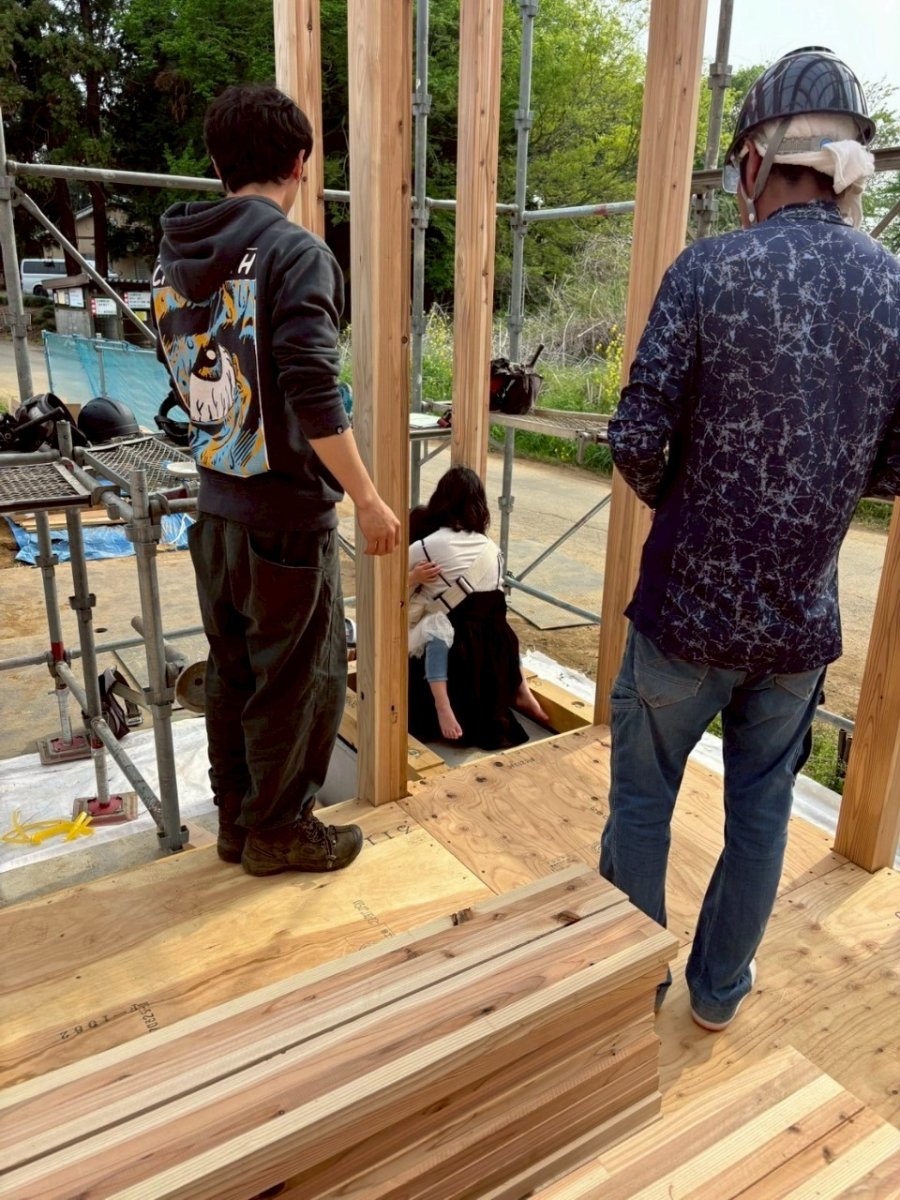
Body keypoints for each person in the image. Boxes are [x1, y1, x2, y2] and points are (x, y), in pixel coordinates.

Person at [599, 48, 900, 1031]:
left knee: (643, 803)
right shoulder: (894, 291)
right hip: (796, 629)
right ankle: (719, 991)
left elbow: (636, 438)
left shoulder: (709, 270)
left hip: (684, 616)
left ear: (755, 161)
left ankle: (629, 986)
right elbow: (894, 466)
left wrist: (691, 508)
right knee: (762, 812)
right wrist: (825, 491)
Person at [151, 84, 400, 877]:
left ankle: (237, 821)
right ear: (299, 163)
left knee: (234, 674)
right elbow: (312, 392)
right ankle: (279, 830)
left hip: (216, 510)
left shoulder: (172, 258)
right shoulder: (295, 253)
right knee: (300, 681)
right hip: (285, 519)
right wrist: (367, 498)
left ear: (218, 166)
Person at [407, 466, 547, 747]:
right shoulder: (491, 548)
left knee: (429, 632)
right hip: (492, 657)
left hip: (454, 656)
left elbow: (386, 588)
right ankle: (522, 692)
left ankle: (441, 707)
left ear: (440, 500)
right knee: (501, 624)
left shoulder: (424, 547)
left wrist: (413, 580)